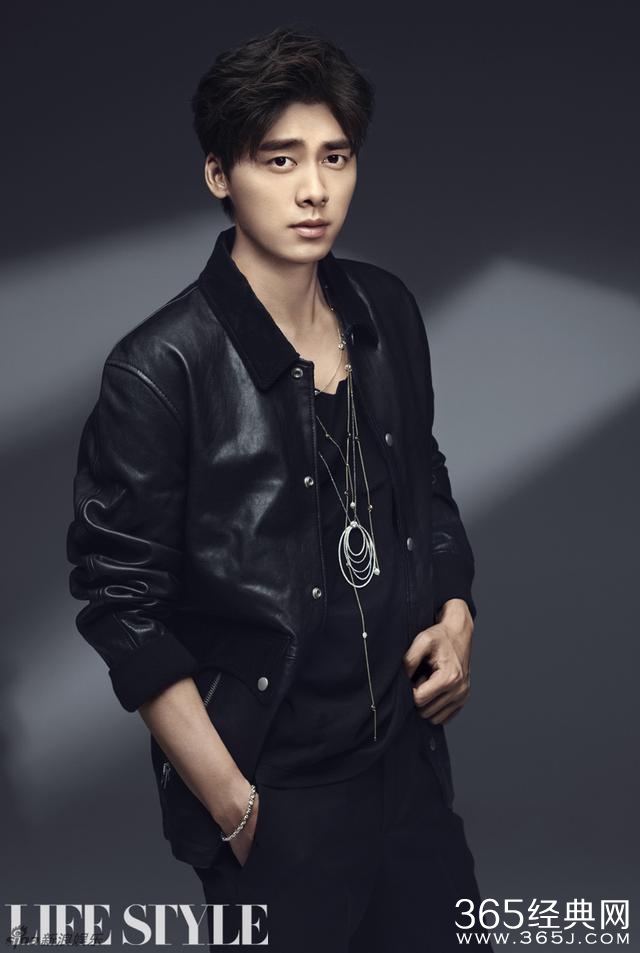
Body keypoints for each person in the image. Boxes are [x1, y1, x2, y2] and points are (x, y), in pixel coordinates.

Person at [66, 26, 494, 953]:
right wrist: (231, 802)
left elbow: (426, 482)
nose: (314, 189)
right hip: (277, 797)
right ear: (219, 174)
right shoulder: (160, 368)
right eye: (280, 159)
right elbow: (120, 604)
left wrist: (457, 612)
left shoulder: (386, 311)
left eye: (335, 157)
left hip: (409, 776)